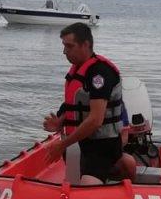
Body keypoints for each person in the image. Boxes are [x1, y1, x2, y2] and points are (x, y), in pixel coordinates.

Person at [43, 22, 135, 184]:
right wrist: (60, 121)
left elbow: (95, 120)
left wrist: (62, 144)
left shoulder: (99, 74)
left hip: (102, 145)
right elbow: (76, 104)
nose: (64, 51)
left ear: (85, 44)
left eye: (69, 46)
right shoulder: (78, 71)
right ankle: (122, 167)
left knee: (87, 185)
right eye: (64, 46)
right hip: (83, 142)